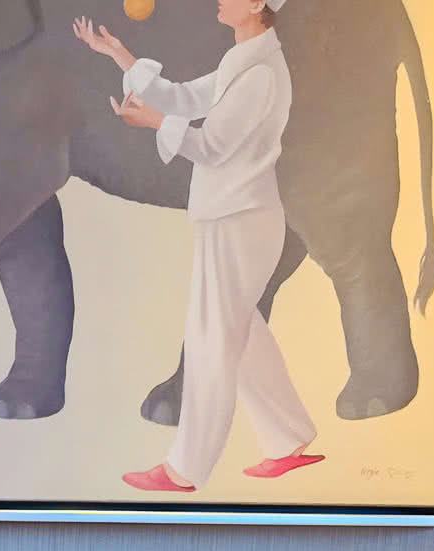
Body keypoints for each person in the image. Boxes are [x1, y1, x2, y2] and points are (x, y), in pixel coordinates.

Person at [74, 0, 322, 493]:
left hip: (241, 219)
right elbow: (185, 98)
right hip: (234, 215)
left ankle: (183, 469)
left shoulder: (261, 74)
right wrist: (121, 55)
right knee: (240, 332)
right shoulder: (244, 59)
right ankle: (288, 437)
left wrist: (152, 124)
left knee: (211, 339)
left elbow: (212, 146)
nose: (219, 0)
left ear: (256, 6)